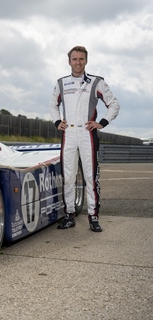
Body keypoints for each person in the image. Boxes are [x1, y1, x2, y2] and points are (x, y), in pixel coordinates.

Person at [49, 46, 120, 232]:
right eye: (74, 59)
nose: (78, 62)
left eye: (81, 59)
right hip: (69, 134)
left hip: (88, 133)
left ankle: (93, 216)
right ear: (69, 61)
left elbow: (114, 105)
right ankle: (69, 215)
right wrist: (57, 121)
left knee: (90, 176)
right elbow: (52, 105)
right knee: (68, 176)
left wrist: (102, 122)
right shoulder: (61, 83)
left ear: (86, 61)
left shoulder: (96, 82)